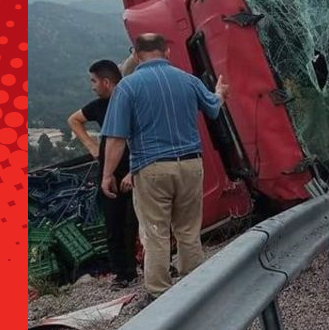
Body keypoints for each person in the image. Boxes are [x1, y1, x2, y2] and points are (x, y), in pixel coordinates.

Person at [101, 33, 229, 300]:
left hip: (152, 168)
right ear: (167, 51)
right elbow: (214, 108)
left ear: (136, 55)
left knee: (156, 232)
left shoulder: (127, 87)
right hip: (191, 165)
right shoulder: (188, 80)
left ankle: (161, 295)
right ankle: (196, 286)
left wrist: (108, 174)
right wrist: (219, 93)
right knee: (188, 230)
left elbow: (116, 139)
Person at [67, 60, 138, 288]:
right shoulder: (98, 106)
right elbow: (74, 119)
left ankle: (157, 264)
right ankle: (123, 273)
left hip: (135, 168)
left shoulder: (130, 100)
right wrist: (91, 146)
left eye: (94, 81)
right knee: (113, 224)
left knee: (141, 221)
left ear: (106, 82)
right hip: (109, 172)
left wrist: (134, 171)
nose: (92, 86)